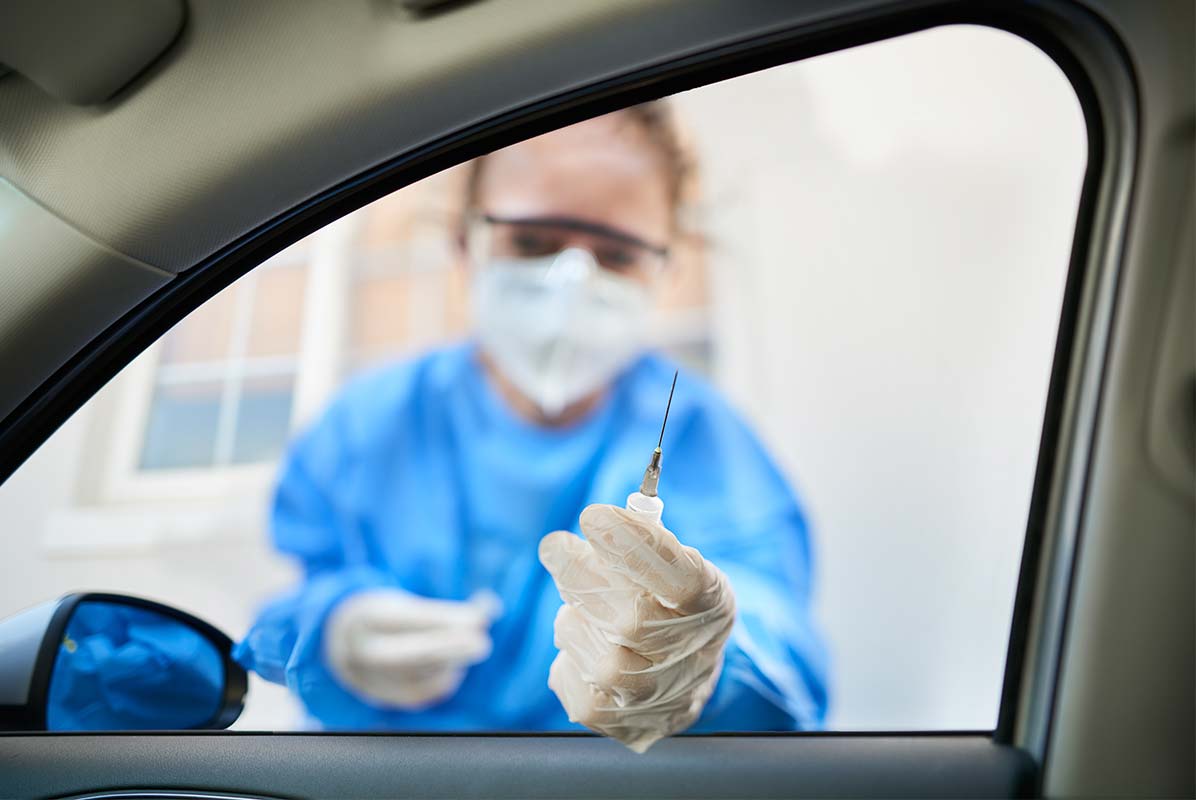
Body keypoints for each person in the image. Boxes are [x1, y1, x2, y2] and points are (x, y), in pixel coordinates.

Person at [233, 101, 828, 751]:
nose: (570, 284)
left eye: (617, 254)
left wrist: (710, 667)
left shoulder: (702, 439)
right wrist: (332, 635)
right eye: (532, 242)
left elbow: (783, 652)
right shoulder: (369, 426)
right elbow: (285, 608)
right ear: (466, 241)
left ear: (663, 268)